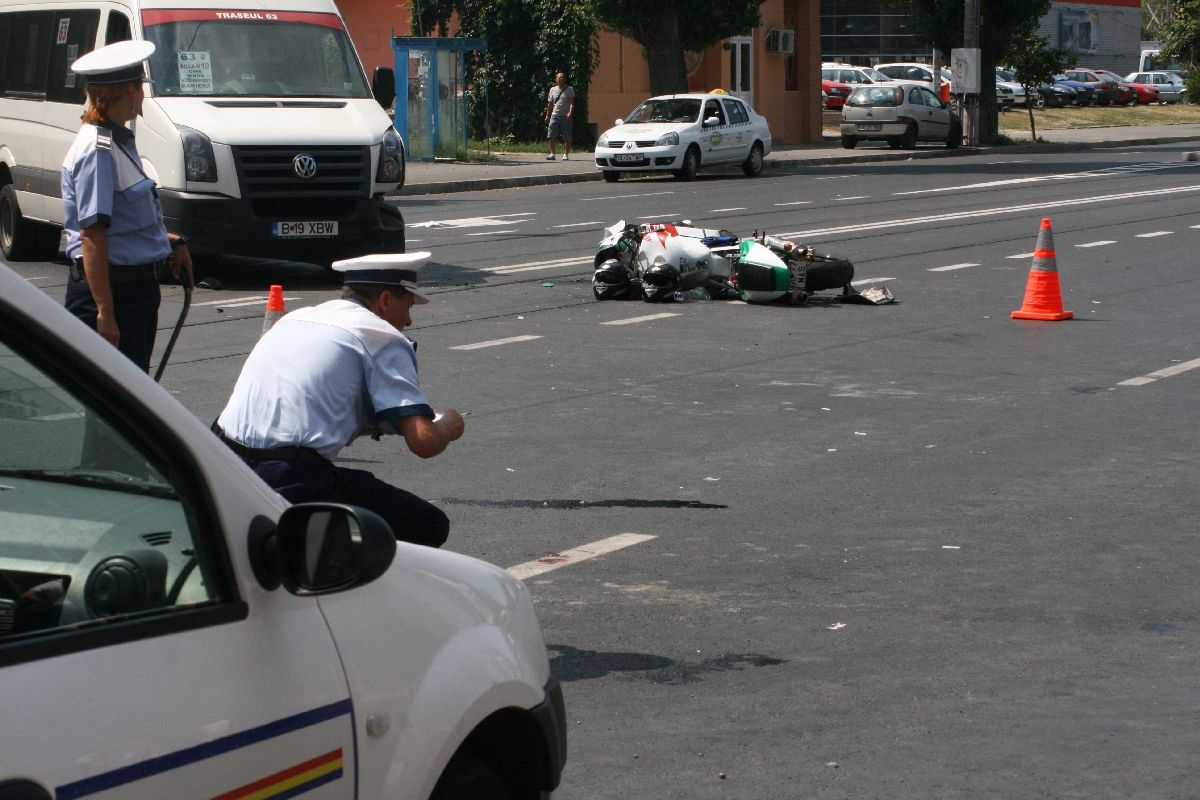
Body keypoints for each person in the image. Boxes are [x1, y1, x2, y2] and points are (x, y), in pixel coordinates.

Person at [214, 252, 466, 548]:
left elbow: (304, 408)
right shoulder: (381, 336)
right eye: (407, 307)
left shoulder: (297, 317)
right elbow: (425, 441)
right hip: (290, 475)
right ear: (385, 300)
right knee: (427, 524)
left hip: (223, 458)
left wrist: (374, 426)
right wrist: (449, 424)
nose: (408, 321)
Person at [62, 40, 193, 373]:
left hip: (132, 291)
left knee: (128, 396)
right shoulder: (98, 150)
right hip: (114, 294)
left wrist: (170, 242)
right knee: (113, 406)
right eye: (140, 88)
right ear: (131, 92)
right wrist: (105, 312)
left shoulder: (117, 139)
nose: (142, 96)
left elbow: (123, 225)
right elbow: (92, 235)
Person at [544, 71, 575, 161]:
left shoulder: (570, 89)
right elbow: (550, 104)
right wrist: (547, 116)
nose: (561, 79)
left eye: (563, 77)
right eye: (559, 77)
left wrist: (570, 112)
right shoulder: (552, 90)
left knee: (567, 136)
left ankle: (566, 154)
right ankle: (552, 154)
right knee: (551, 135)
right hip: (555, 115)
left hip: (565, 116)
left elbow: (572, 103)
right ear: (556, 79)